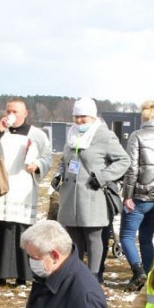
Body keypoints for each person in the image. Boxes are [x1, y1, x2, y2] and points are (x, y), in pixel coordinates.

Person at [0, 97, 53, 287]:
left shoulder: (37, 134)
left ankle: (21, 276)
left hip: (22, 188)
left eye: (15, 112)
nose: (11, 115)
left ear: (25, 114)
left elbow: (47, 157)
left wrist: (37, 165)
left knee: (20, 232)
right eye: (8, 111)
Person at [51, 98, 129, 276]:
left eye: (83, 117)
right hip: (71, 197)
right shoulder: (72, 135)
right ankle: (76, 275)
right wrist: (58, 174)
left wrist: (102, 177)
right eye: (76, 117)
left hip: (92, 196)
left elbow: (124, 160)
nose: (79, 121)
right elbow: (65, 161)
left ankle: (93, 276)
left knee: (93, 237)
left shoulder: (105, 136)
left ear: (92, 117)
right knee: (73, 239)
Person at [120, 100, 154, 291]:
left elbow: (132, 168)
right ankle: (149, 275)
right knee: (146, 238)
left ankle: (138, 272)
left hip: (138, 196)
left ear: (142, 117)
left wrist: (127, 194)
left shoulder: (137, 136)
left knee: (127, 236)